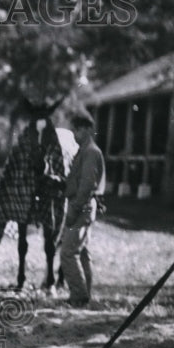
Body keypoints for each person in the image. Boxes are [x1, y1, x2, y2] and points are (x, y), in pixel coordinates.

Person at [0, 102, 69, 291]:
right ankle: (21, 275)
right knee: (22, 230)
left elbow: (59, 167)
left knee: (51, 228)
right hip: (27, 182)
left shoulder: (53, 144)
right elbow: (14, 165)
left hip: (48, 183)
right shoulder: (23, 144)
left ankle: (51, 278)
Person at [59, 111, 105, 307]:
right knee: (83, 253)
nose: (74, 134)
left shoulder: (90, 152)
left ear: (87, 129)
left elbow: (86, 186)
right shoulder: (84, 151)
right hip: (83, 206)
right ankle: (85, 294)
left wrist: (73, 210)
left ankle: (78, 296)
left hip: (82, 207)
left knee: (68, 252)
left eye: (77, 130)